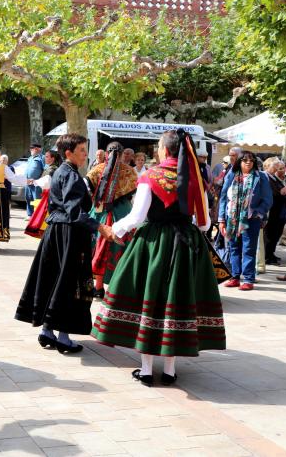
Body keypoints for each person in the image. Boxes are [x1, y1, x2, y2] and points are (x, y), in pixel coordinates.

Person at [91, 129, 226, 386]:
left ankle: (145, 370)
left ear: (165, 149)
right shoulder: (195, 179)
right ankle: (170, 371)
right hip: (186, 245)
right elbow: (205, 222)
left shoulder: (150, 176)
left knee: (150, 300)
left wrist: (112, 230)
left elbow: (137, 217)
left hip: (153, 244)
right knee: (176, 302)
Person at [16, 134, 107, 353]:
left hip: (55, 232)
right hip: (69, 234)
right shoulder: (72, 176)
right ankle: (63, 337)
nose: (86, 154)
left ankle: (47, 331)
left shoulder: (60, 172)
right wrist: (100, 227)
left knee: (53, 278)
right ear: (69, 153)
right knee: (68, 282)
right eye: (82, 150)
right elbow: (75, 211)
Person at [86, 142, 138, 298]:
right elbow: (131, 195)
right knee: (121, 250)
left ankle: (98, 287)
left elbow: (90, 192)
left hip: (99, 213)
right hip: (122, 213)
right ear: (122, 154)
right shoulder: (130, 172)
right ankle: (116, 288)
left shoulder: (95, 170)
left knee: (97, 247)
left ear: (106, 153)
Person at [219, 150, 273, 291]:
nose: (249, 162)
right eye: (245, 160)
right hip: (231, 218)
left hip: (251, 219)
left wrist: (258, 213)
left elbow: (268, 200)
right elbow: (224, 197)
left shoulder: (260, 177)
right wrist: (221, 219)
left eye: (251, 160)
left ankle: (248, 279)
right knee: (233, 248)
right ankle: (235, 277)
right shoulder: (231, 174)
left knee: (249, 249)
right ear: (239, 161)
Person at [25, 150, 61, 239]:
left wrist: (34, 181)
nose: (45, 158)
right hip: (47, 194)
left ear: (53, 158)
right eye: (45, 156)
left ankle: (49, 235)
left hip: (50, 196)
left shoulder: (52, 169)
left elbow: (47, 182)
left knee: (46, 215)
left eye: (48, 156)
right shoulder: (50, 168)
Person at [263, 158, 286, 265]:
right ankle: (267, 256)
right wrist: (285, 196)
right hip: (272, 211)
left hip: (278, 211)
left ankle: (271, 254)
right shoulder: (266, 177)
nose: (276, 169)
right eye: (274, 166)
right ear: (268, 166)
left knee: (275, 234)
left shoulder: (273, 178)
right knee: (270, 234)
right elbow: (275, 193)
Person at [24, 143, 45, 218]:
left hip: (36, 183)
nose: (31, 150)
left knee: (36, 200)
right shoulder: (30, 158)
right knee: (28, 198)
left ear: (38, 149)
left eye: (32, 148)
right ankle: (30, 215)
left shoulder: (42, 158)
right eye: (31, 149)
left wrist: (39, 179)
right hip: (27, 182)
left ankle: (37, 216)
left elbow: (45, 170)